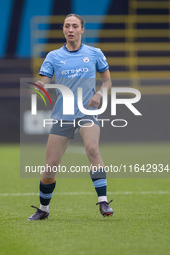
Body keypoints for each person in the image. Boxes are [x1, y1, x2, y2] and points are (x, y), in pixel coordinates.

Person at [28, 13, 113, 220]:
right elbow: (45, 81)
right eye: (67, 26)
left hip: (88, 112)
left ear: (82, 30)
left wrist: (100, 94)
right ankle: (43, 209)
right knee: (50, 165)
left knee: (93, 149)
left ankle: (103, 202)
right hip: (63, 114)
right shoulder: (53, 56)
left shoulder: (95, 53)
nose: (71, 30)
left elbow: (108, 81)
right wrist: (40, 87)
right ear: (63, 30)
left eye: (75, 26)